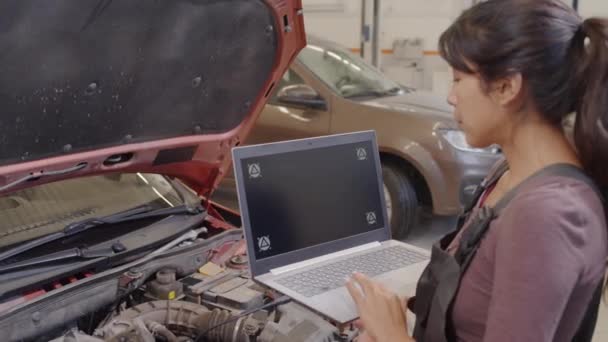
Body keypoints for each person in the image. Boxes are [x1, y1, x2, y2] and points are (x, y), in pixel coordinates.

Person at [346, 0, 608, 341]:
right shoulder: (508, 173)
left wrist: (393, 335)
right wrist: (404, 309)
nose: (451, 97)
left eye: (457, 79)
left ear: (506, 87)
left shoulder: (548, 215)